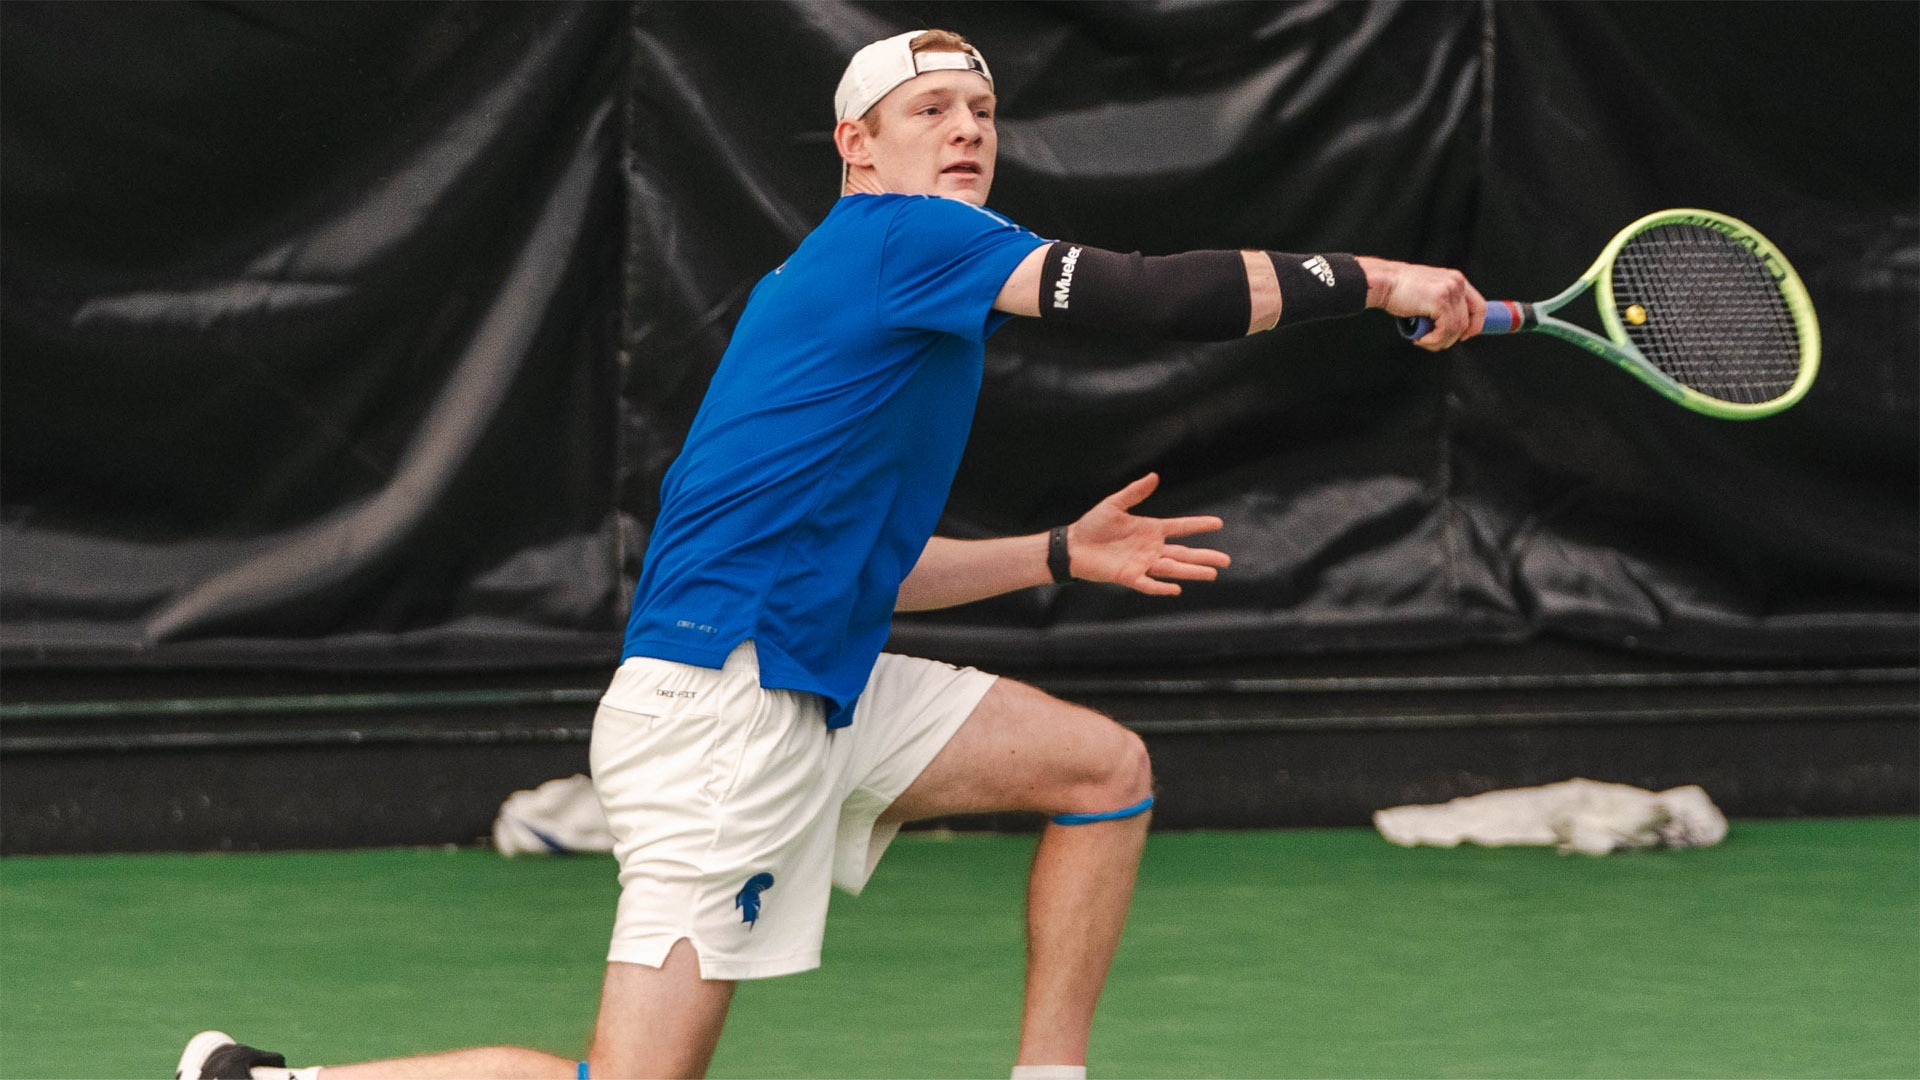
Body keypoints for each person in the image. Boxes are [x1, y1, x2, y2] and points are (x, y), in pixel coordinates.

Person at [177, 27, 1484, 1080]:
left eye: (981, 108)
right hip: (724, 710)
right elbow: (1153, 298)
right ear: (858, 148)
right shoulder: (902, 241)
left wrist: (1053, 553)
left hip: (815, 674)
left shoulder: (885, 295)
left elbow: (875, 569)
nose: (968, 126)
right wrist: (1384, 279)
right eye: (931, 111)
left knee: (1101, 771)